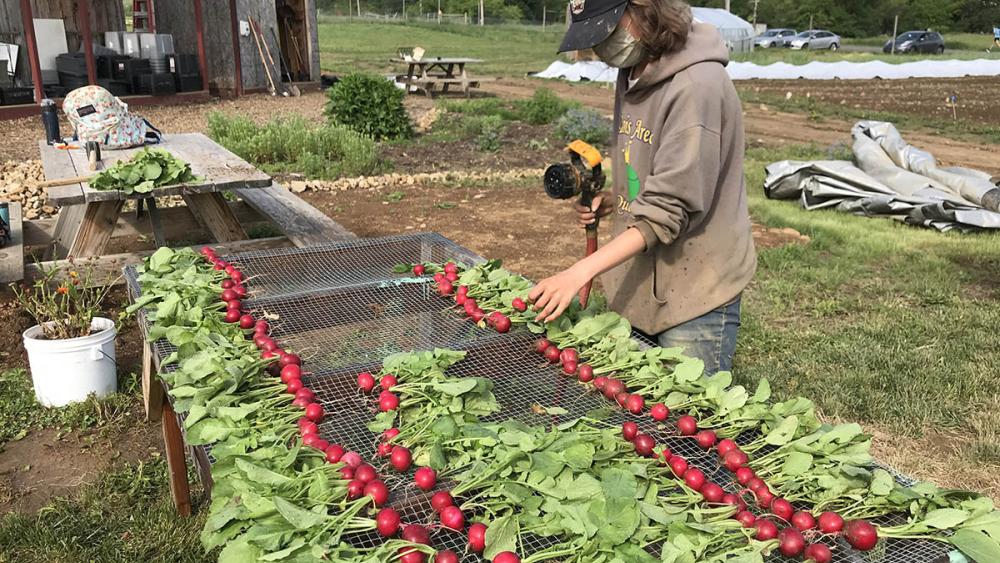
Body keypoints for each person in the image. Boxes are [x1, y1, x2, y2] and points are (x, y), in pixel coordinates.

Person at [528, 0, 756, 374]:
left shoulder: (696, 86)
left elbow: (668, 208)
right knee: (641, 415)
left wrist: (579, 272)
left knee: (688, 418)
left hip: (694, 289)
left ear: (644, 9)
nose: (604, 46)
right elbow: (651, 167)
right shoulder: (635, 70)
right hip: (641, 283)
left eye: (610, 29)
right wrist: (616, 203)